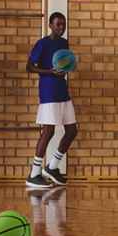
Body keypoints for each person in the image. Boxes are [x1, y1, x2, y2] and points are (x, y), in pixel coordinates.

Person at [25, 12, 78, 188]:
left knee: (72, 131)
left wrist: (68, 67)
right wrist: (49, 71)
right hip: (49, 92)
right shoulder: (42, 43)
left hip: (62, 91)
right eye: (58, 24)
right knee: (48, 132)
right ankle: (34, 174)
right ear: (50, 25)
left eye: (63, 24)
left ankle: (52, 167)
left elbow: (66, 62)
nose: (61, 27)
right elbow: (29, 66)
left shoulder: (64, 43)